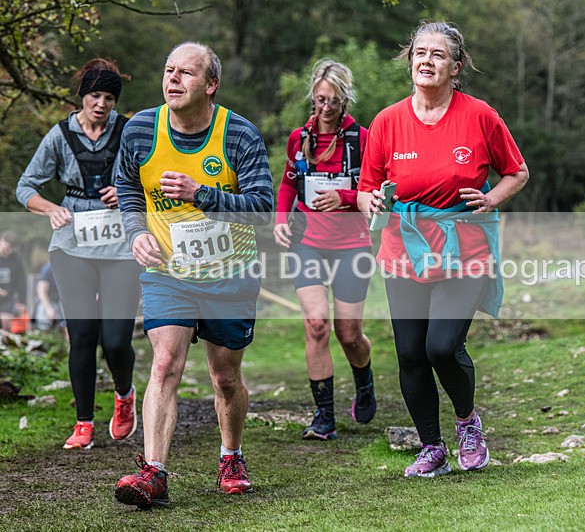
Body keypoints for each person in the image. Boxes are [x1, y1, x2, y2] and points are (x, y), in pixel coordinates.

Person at [357, 21, 529, 477]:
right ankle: (431, 448)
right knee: (410, 352)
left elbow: (518, 171)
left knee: (441, 346)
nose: (426, 60)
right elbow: (365, 190)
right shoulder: (387, 121)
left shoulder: (480, 115)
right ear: (409, 61)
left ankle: (467, 423)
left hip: (463, 247)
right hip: (403, 248)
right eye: (419, 53)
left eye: (437, 54)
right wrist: (370, 201)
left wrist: (491, 199)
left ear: (456, 67)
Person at [114, 41, 273, 507]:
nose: (173, 79)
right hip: (168, 272)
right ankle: (154, 474)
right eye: (168, 70)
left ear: (211, 85)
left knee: (225, 378)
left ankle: (231, 456)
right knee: (164, 365)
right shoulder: (141, 129)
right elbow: (127, 185)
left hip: (230, 274)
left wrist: (202, 193)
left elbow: (263, 210)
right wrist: (134, 231)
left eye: (186, 72)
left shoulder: (239, 134)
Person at [16, 58, 141, 450]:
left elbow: (151, 178)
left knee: (117, 339)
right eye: (94, 95)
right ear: (82, 97)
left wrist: (127, 192)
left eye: (108, 97)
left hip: (121, 245)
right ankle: (83, 423)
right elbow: (25, 187)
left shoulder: (129, 131)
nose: (101, 103)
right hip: (73, 246)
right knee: (83, 334)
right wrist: (51, 208)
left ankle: (124, 396)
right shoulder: (59, 136)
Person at [273, 59, 375, 441]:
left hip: (352, 244)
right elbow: (288, 184)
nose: (326, 107)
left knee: (348, 334)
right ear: (312, 99)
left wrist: (345, 196)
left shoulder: (361, 139)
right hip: (308, 242)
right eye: (320, 100)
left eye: (333, 101)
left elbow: (375, 190)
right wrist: (281, 219)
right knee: (316, 325)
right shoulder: (299, 139)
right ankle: (324, 416)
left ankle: (364, 380)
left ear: (344, 100)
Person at [0, 231, 27, 332]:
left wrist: (22, 301)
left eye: (9, 249)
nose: (7, 251)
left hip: (8, 300)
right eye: (5, 248)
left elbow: (21, 282)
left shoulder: (16, 259)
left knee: (7, 325)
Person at [34, 261, 65, 332]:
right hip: (48, 303)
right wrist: (48, 309)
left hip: (62, 304)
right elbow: (41, 291)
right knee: (43, 328)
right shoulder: (48, 268)